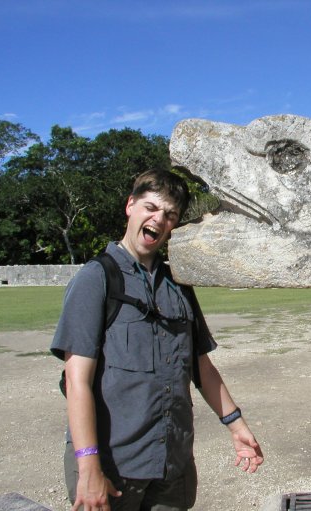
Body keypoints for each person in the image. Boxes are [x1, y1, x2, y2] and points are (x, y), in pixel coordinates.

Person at [51, 169, 264, 511]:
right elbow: (77, 382)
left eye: (170, 215)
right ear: (130, 206)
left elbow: (202, 367)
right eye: (150, 207)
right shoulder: (96, 279)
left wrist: (236, 425)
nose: (158, 219)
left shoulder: (178, 284)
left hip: (172, 462)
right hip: (113, 466)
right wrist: (89, 467)